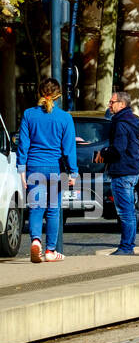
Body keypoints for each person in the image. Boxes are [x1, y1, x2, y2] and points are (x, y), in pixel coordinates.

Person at [17, 78, 77, 263]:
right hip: (55, 169)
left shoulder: (28, 115)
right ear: (59, 95)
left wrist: (21, 171)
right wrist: (73, 173)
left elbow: (23, 145)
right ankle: (51, 251)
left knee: (36, 208)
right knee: (53, 209)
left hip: (34, 166)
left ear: (39, 93)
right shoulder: (65, 117)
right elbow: (68, 149)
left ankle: (35, 241)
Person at [99, 91, 139, 255]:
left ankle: (126, 246)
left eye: (112, 102)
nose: (109, 105)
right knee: (129, 210)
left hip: (122, 171)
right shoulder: (132, 120)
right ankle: (128, 245)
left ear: (122, 104)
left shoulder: (121, 122)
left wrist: (103, 152)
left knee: (125, 212)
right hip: (131, 169)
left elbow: (118, 149)